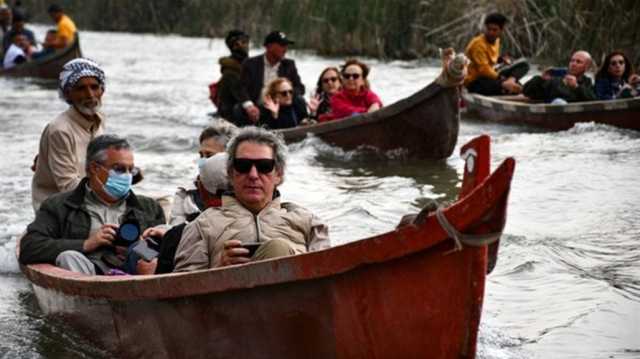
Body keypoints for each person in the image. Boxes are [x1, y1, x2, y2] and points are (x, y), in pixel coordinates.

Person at [173, 126, 329, 271]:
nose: (253, 175)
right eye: (243, 166)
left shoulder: (309, 222)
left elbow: (327, 277)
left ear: (278, 175)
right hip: (233, 298)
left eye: (264, 166)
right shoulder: (201, 226)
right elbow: (182, 290)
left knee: (278, 248)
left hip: (298, 295)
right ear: (231, 173)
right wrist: (219, 268)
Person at [20, 135, 166, 275]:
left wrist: (139, 248)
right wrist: (87, 243)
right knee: (68, 256)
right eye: (119, 169)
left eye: (131, 170)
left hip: (137, 273)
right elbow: (29, 248)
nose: (128, 176)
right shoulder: (59, 206)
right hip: (88, 273)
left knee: (146, 252)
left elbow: (167, 253)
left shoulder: (149, 208)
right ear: (94, 169)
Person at [134, 152, 230, 275]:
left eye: (209, 155)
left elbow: (164, 282)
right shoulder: (256, 219)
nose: (203, 159)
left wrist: (149, 273)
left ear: (200, 188)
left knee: (138, 249)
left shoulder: (153, 208)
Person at [31, 58, 106, 212]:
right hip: (62, 210)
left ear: (102, 90)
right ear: (67, 94)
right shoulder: (59, 130)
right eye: (81, 89)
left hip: (94, 199)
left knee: (162, 201)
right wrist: (112, 189)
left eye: (94, 87)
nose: (90, 94)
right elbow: (67, 187)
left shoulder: (99, 121)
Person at [169, 123, 237, 226]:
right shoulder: (186, 193)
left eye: (209, 155)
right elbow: (175, 230)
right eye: (201, 155)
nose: (202, 161)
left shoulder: (246, 191)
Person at [238, 31, 305, 124]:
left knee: (299, 100)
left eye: (286, 45)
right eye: (282, 45)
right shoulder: (250, 63)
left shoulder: (289, 64)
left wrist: (284, 96)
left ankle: (305, 123)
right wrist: (249, 106)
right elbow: (241, 88)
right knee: (238, 108)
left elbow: (300, 88)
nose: (285, 49)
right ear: (269, 46)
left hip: (281, 108)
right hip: (258, 108)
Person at [464, 13, 528, 95]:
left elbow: (490, 59)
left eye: (494, 30)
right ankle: (506, 85)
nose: (490, 33)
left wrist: (501, 59)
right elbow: (483, 70)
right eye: (488, 29)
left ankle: (510, 81)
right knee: (511, 88)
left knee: (523, 64)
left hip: (491, 76)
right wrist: (501, 78)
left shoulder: (496, 40)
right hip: (475, 81)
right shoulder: (478, 45)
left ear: (501, 30)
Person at [523, 50, 597, 103]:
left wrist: (576, 87)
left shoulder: (587, 81)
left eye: (578, 62)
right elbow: (527, 91)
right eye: (572, 60)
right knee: (559, 102)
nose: (573, 64)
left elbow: (593, 99)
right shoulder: (557, 77)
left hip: (575, 114)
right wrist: (540, 79)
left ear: (586, 67)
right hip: (555, 110)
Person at [216, 30, 250, 122]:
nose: (247, 45)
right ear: (234, 46)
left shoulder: (249, 64)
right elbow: (242, 96)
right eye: (243, 42)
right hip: (232, 117)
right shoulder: (230, 72)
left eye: (247, 41)